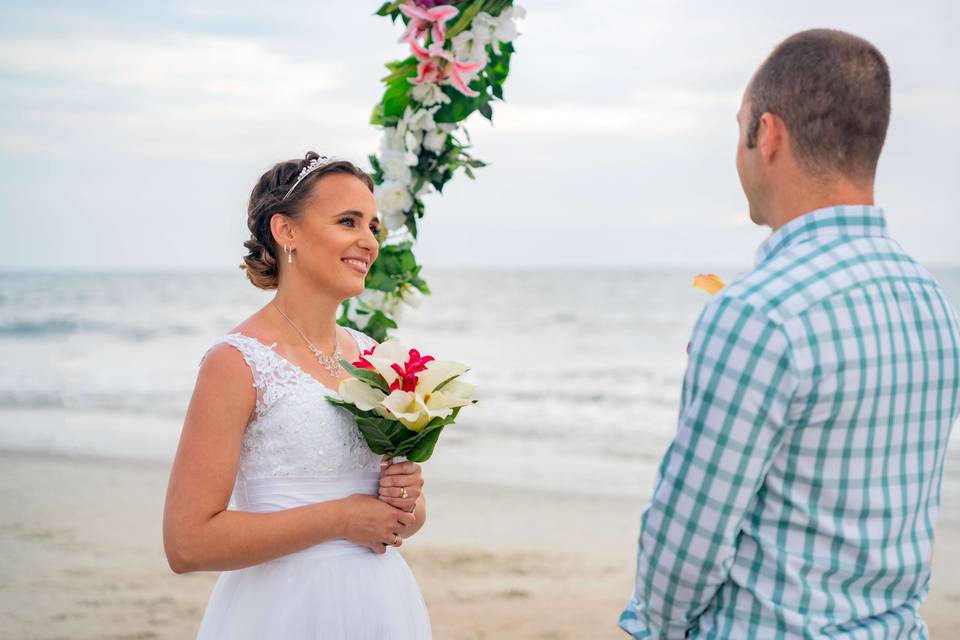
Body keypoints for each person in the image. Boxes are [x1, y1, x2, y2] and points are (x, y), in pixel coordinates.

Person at [621, 29, 960, 638]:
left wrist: (661, 627)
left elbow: (688, 539)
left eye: (739, 129)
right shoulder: (929, 300)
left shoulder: (759, 313)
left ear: (768, 135)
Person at [163, 152, 432, 639]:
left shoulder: (374, 357)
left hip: (381, 607)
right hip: (283, 610)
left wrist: (408, 498)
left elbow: (405, 521)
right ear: (286, 232)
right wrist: (340, 518)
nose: (368, 241)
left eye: (373, 226)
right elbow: (187, 543)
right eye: (347, 221)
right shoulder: (236, 361)